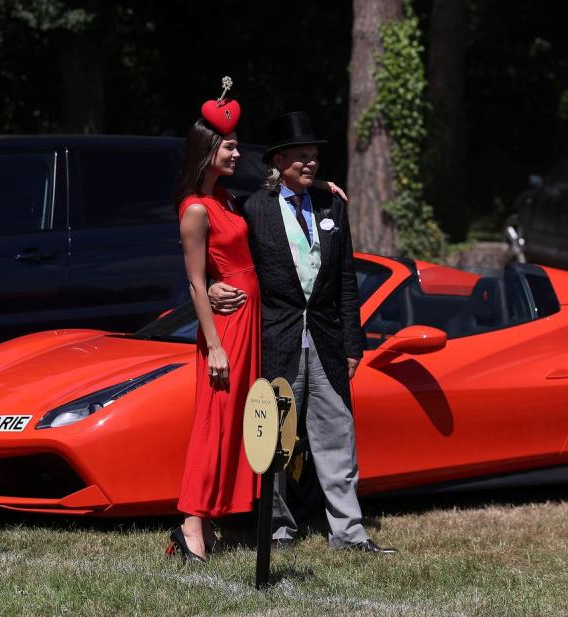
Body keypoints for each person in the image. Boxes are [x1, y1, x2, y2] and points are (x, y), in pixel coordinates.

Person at [210, 111, 396, 555]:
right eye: (300, 158)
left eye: (313, 157)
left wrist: (353, 343)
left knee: (336, 435)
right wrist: (211, 285)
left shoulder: (333, 204)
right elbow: (224, 254)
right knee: (275, 437)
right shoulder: (253, 209)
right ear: (278, 162)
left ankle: (348, 533)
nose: (309, 164)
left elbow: (347, 281)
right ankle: (276, 526)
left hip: (329, 341)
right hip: (278, 337)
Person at [166, 80, 260, 563]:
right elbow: (196, 284)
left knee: (236, 421)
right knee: (215, 422)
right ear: (207, 150)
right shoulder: (197, 209)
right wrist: (215, 345)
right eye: (230, 145)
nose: (237, 151)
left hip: (248, 320)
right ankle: (190, 526)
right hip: (227, 330)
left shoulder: (223, 197)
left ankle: (212, 515)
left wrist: (322, 185)